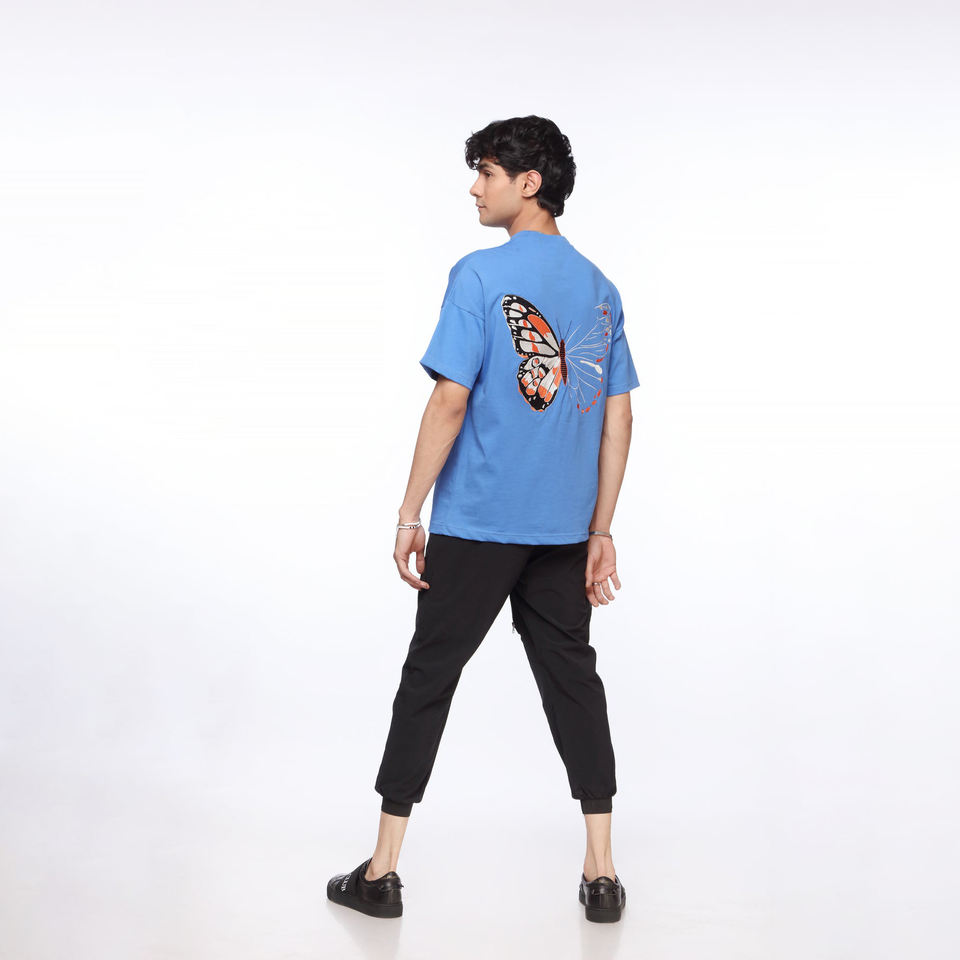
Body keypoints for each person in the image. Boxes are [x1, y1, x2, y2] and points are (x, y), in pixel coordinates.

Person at [327, 115, 639, 923]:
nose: (474, 187)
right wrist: (600, 530)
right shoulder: (600, 289)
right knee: (574, 683)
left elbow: (449, 399)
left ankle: (381, 873)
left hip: (477, 524)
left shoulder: (477, 276)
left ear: (528, 183)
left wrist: (409, 511)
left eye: (487, 173)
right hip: (564, 531)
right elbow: (618, 419)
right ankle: (602, 873)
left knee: (429, 679)